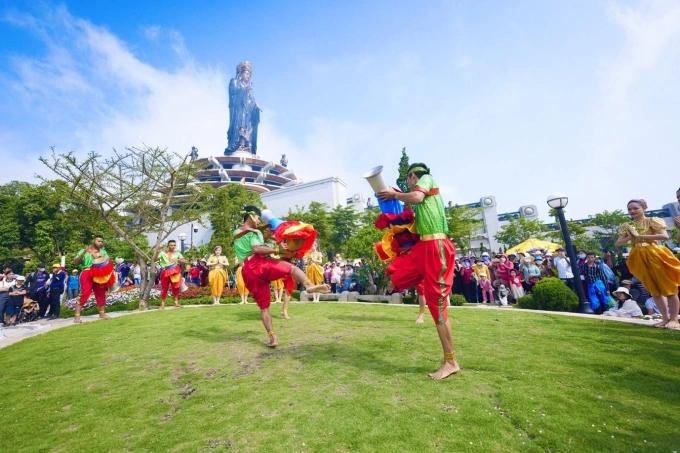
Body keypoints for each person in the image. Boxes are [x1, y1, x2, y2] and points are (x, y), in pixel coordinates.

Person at [378, 162, 460, 380]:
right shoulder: (421, 195)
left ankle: (451, 362)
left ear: (413, 176)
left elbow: (416, 197)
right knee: (397, 275)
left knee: (437, 305)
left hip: (436, 246)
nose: (409, 183)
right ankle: (398, 286)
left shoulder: (426, 178)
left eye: (408, 179)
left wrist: (396, 195)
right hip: (424, 247)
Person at [233, 205, 330, 347]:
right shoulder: (253, 232)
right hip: (258, 264)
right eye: (258, 218)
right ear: (252, 216)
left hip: (247, 272)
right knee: (291, 268)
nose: (259, 221)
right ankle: (309, 285)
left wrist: (267, 236)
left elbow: (253, 242)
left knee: (264, 308)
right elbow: (256, 248)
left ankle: (273, 338)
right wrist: (277, 249)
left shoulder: (238, 232)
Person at [615, 199, 680, 328]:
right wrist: (630, 236)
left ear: (644, 207)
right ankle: (665, 318)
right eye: (630, 209)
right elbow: (618, 243)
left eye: (635, 208)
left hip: (654, 254)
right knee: (653, 289)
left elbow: (664, 236)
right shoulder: (627, 225)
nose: (632, 211)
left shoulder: (652, 220)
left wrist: (639, 236)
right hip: (638, 256)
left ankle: (674, 319)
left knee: (668, 287)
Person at [73, 237, 114, 323]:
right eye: (98, 241)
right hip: (87, 272)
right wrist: (84, 253)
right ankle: (77, 317)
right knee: (84, 293)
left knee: (101, 292)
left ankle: (102, 314)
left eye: (102, 241)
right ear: (93, 241)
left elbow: (107, 262)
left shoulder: (103, 251)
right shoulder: (83, 251)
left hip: (99, 273)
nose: (100, 243)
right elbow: (76, 262)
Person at [225, 61, 261, 155]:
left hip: (247, 113)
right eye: (246, 73)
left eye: (249, 74)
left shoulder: (249, 89)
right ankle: (237, 144)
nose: (248, 75)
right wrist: (245, 89)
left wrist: (255, 106)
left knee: (248, 127)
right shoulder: (234, 82)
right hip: (238, 111)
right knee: (239, 126)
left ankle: (246, 145)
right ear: (241, 73)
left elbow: (251, 101)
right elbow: (233, 93)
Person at [153, 240, 186, 309]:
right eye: (171, 245)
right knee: (164, 288)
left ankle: (176, 303)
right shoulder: (162, 253)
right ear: (168, 245)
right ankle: (162, 304)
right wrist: (157, 253)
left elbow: (184, 260)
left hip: (175, 272)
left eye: (174, 245)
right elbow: (155, 260)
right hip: (165, 272)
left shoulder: (177, 253)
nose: (173, 246)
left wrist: (177, 260)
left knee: (175, 287)